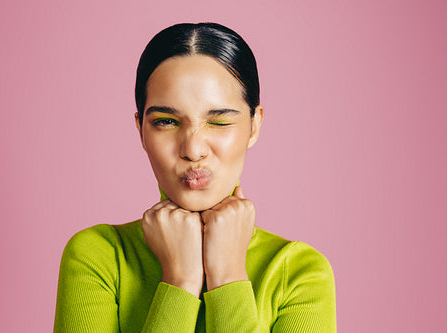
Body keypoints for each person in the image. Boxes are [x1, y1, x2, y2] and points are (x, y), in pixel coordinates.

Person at [54, 22, 336, 332]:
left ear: (254, 125)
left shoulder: (298, 272)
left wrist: (228, 275)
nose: (193, 149)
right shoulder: (98, 256)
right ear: (141, 130)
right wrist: (180, 280)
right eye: (167, 121)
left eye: (219, 122)